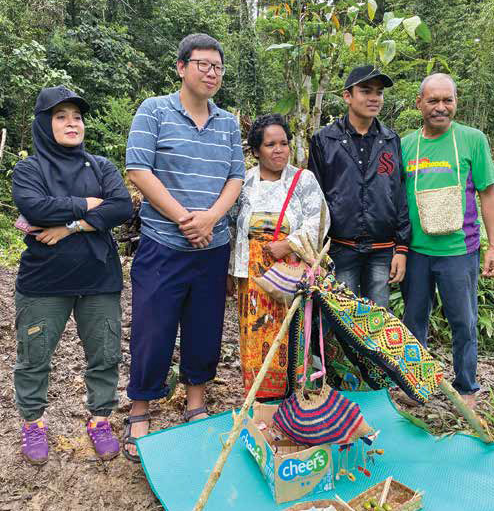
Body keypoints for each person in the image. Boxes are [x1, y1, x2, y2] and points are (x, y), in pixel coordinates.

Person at [124, 33, 244, 460]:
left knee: (204, 329)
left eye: (218, 67)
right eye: (203, 64)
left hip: (213, 246)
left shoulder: (228, 122)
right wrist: (183, 218)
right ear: (181, 67)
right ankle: (140, 410)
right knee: (151, 330)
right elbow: (138, 169)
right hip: (163, 243)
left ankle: (195, 403)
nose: (211, 73)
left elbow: (235, 178)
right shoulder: (154, 110)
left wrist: (211, 218)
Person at [12, 86, 133, 465]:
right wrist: (86, 205)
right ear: (45, 124)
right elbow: (34, 206)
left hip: (98, 279)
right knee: (34, 356)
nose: (71, 123)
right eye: (61, 116)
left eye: (76, 117)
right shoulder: (30, 169)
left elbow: (121, 207)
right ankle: (33, 423)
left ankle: (100, 421)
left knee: (105, 354)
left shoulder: (100, 166)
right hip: (44, 283)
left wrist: (71, 227)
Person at [401, 73, 494, 408]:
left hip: (460, 250)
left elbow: (488, 193)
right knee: (414, 320)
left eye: (448, 100)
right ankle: (417, 385)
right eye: (433, 101)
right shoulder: (406, 144)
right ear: (419, 103)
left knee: (463, 321)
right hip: (416, 251)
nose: (441, 107)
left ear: (456, 102)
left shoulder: (473, 140)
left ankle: (467, 387)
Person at [229, 113, 329, 400]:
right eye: (270, 144)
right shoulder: (244, 183)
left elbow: (319, 220)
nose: (279, 150)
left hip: (290, 276)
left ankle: (291, 398)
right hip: (253, 280)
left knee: (291, 335)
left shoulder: (302, 180)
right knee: (253, 337)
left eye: (283, 143)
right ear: (256, 150)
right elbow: (234, 226)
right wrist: (230, 272)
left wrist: (289, 244)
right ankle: (259, 400)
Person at [308, 65, 410, 308]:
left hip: (382, 249)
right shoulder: (325, 140)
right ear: (347, 96)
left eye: (379, 92)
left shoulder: (390, 139)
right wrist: (318, 251)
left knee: (378, 321)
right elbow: (315, 197)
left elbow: (399, 194)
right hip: (341, 248)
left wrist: (402, 248)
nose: (374, 98)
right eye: (366, 91)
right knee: (344, 321)